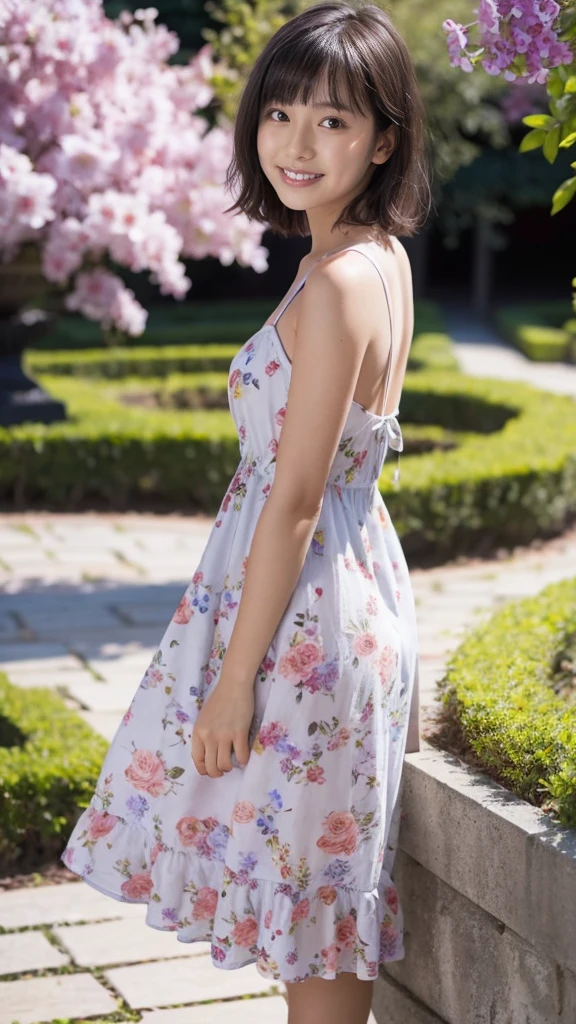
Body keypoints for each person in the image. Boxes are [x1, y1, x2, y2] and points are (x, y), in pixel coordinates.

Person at [61, 3, 433, 1022]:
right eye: (280, 114)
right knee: (313, 897)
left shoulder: (339, 286)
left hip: (305, 618)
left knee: (314, 913)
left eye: (333, 122)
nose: (297, 145)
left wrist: (233, 682)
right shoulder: (377, 259)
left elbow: (297, 497)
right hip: (340, 596)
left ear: (385, 138)